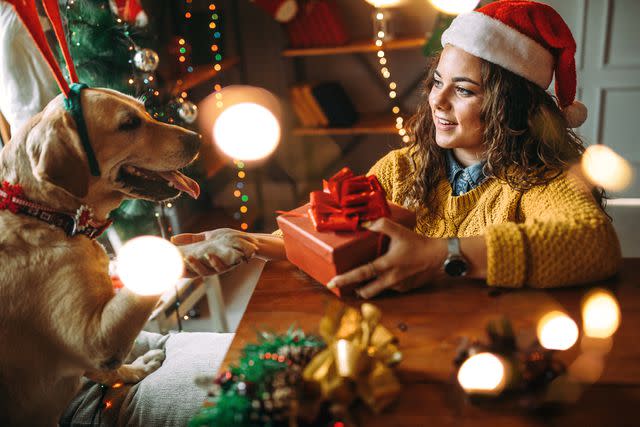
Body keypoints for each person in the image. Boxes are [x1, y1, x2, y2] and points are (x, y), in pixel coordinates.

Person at [173, 0, 622, 298]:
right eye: (438, 82)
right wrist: (248, 243)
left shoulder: (544, 180)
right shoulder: (401, 169)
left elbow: (595, 244)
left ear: (514, 106)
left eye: (464, 90)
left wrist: (442, 256)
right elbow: (333, 232)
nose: (437, 101)